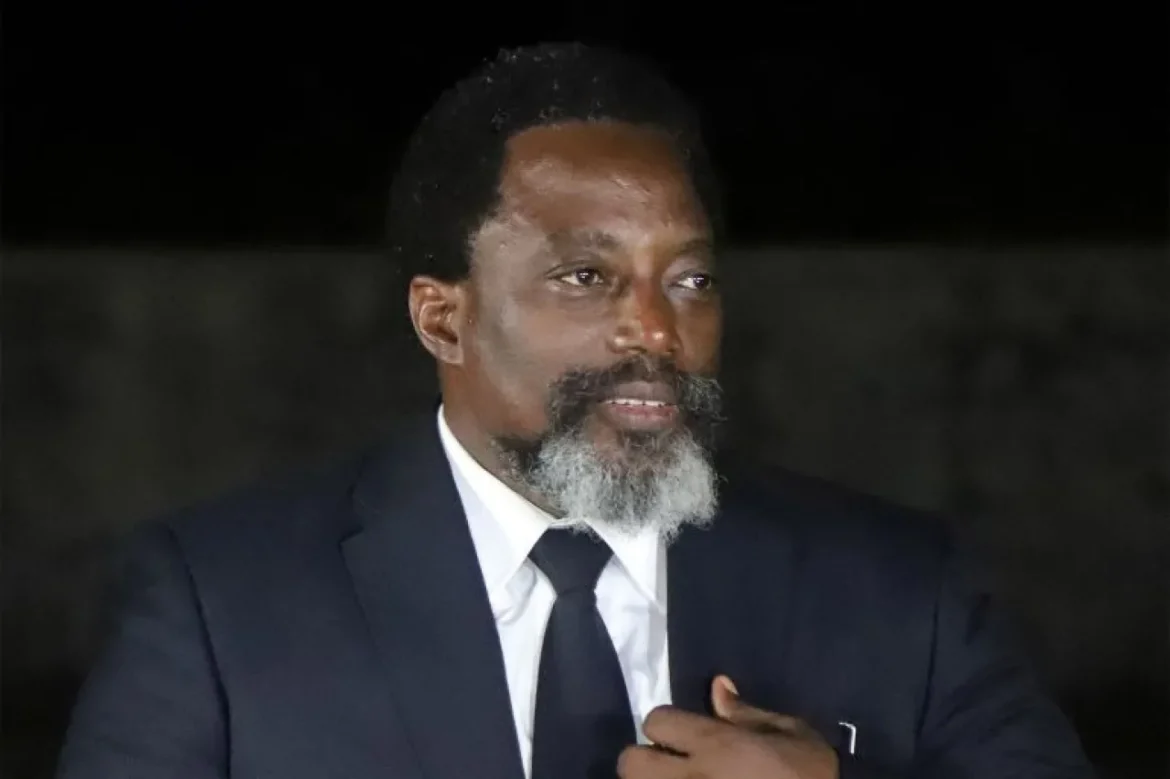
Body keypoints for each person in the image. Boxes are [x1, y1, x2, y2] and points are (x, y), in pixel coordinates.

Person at [57, 42, 1096, 779]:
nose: (656, 329)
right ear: (443, 317)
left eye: (689, 280)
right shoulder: (219, 603)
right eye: (586, 277)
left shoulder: (900, 588)